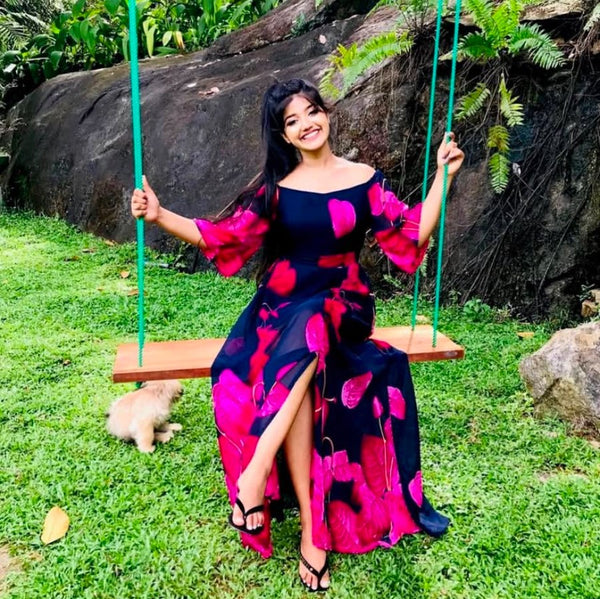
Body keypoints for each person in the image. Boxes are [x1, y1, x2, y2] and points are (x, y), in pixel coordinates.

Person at [131, 78, 464, 592]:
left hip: (343, 304)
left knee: (313, 322)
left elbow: (409, 235)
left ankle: (254, 476)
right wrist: (159, 215)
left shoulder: (364, 179)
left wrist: (443, 175)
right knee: (299, 373)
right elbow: (224, 237)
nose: (306, 124)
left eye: (312, 112)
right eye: (292, 120)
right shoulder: (277, 190)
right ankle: (313, 531)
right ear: (284, 135)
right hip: (281, 310)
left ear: (326, 114)